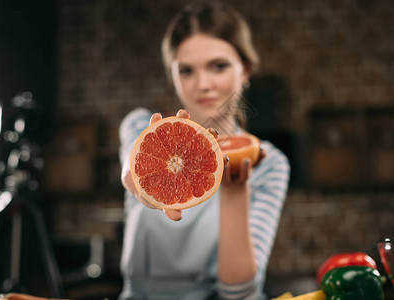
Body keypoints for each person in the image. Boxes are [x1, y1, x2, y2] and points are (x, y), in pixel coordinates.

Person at [118, 2, 290, 299]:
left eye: (219, 66)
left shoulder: (267, 162)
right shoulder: (141, 126)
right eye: (186, 71)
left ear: (245, 70)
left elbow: (239, 294)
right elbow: (132, 167)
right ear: (173, 76)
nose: (203, 84)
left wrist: (235, 194)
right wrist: (139, 179)